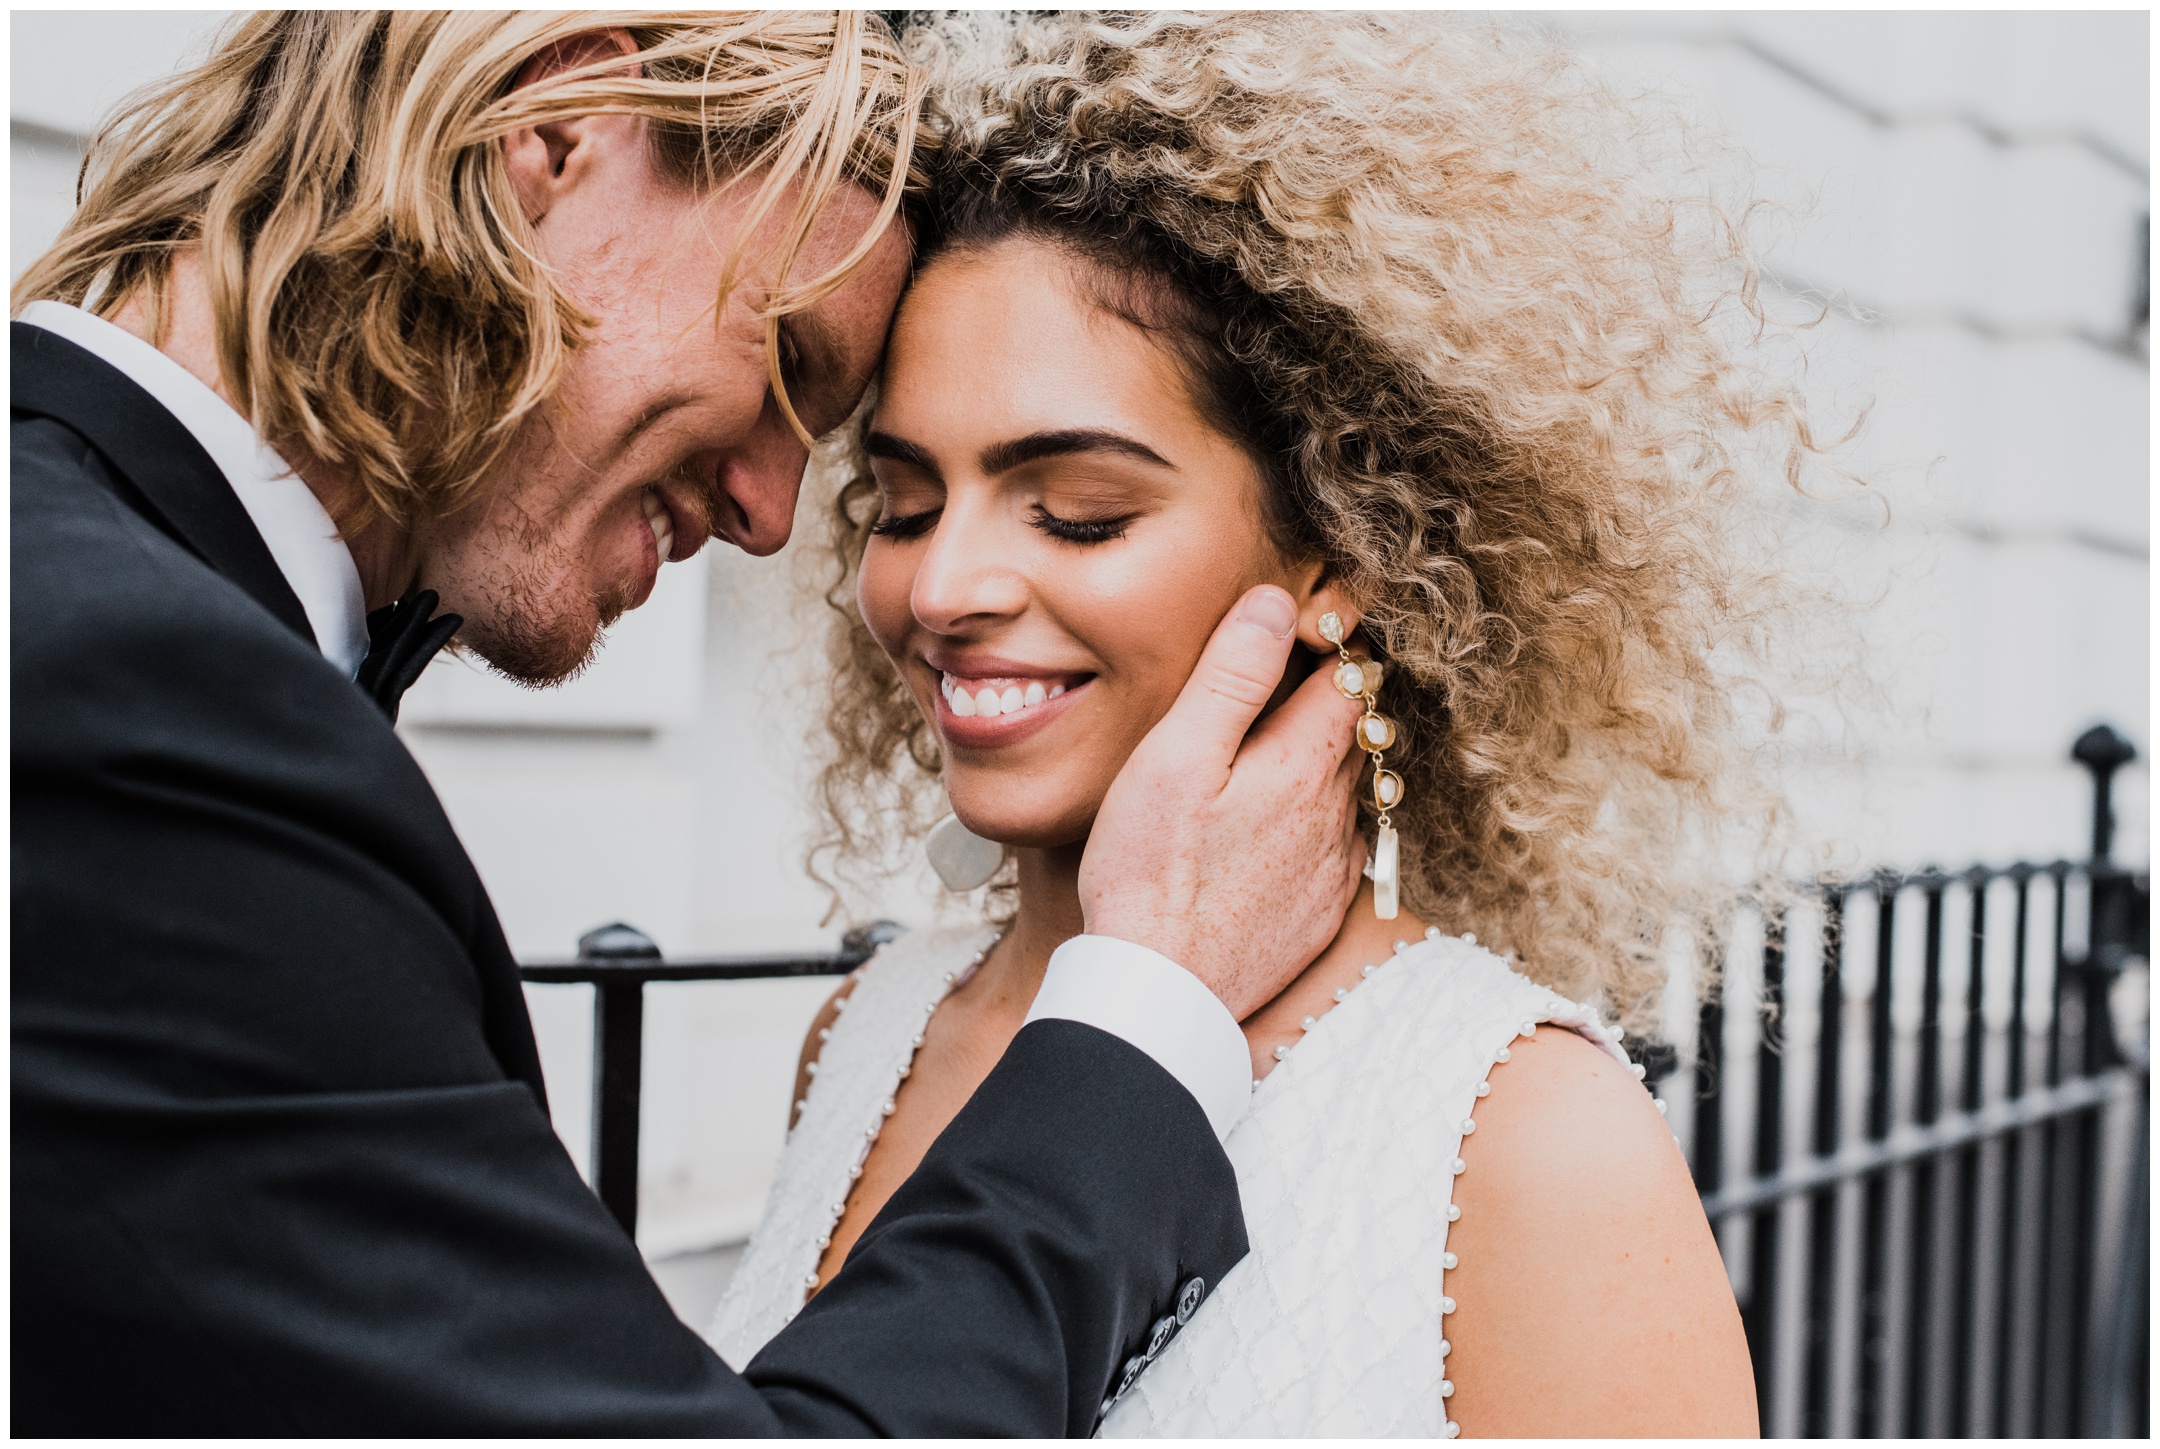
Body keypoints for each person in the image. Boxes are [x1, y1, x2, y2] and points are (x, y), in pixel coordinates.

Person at [11, 13, 1371, 1435]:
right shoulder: (139, 701)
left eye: (1078, 512)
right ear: (557, 126)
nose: (776, 515)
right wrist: (1146, 1010)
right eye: (788, 360)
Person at [711, 12, 1788, 1436]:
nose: (944, 584)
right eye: (904, 503)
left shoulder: (1525, 1143)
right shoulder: (865, 1035)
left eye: (1077, 512)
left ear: (1337, 554)